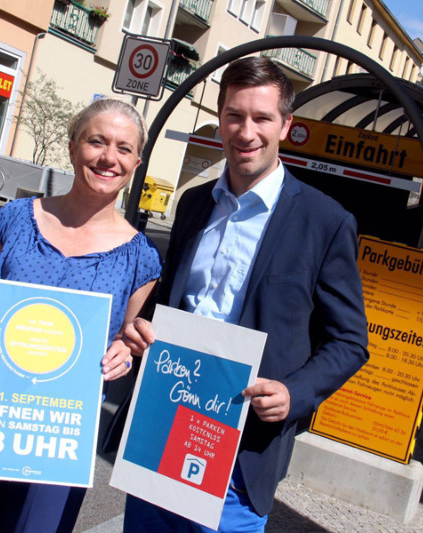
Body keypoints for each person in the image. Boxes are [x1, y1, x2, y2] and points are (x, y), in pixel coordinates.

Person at [121, 57, 369, 532]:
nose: (246, 131)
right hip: (164, 426)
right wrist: (142, 327)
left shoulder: (325, 221)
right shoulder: (195, 204)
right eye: (234, 115)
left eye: (262, 118)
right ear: (220, 119)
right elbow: (174, 297)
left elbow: (350, 342)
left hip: (242, 453)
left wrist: (296, 392)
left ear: (286, 125)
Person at [0, 98, 162, 533]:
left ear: (136, 162)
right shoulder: (15, 219)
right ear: (73, 147)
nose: (109, 157)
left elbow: (125, 339)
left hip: (58, 435)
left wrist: (123, 356)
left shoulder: (141, 259)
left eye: (124, 149)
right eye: (97, 141)